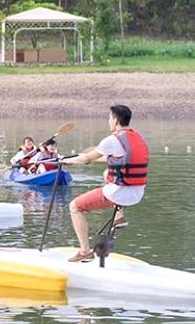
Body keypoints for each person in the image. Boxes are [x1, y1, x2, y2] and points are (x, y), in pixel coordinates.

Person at [61, 104, 148, 263]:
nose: (108, 122)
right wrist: (76, 161)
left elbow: (87, 159)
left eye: (109, 118)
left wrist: (65, 161)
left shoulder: (112, 140)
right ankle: (119, 214)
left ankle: (84, 251)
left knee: (75, 207)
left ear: (115, 120)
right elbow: (114, 160)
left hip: (119, 193)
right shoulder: (138, 137)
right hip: (138, 192)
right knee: (106, 172)